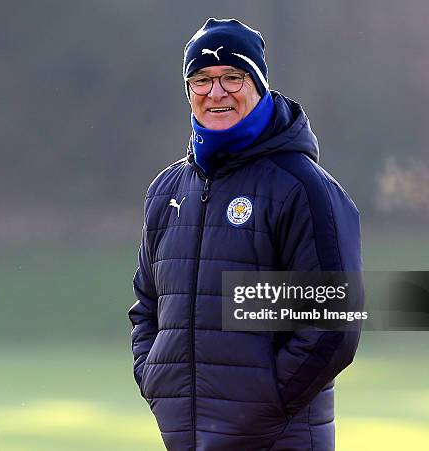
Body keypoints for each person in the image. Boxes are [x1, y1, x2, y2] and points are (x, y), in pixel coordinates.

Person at [128, 18, 363, 451]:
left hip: (278, 439)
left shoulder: (301, 187)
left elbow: (332, 325)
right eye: (202, 80)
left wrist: (263, 405)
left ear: (257, 84)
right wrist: (155, 379)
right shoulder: (167, 192)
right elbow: (147, 309)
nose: (216, 93)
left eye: (232, 77)